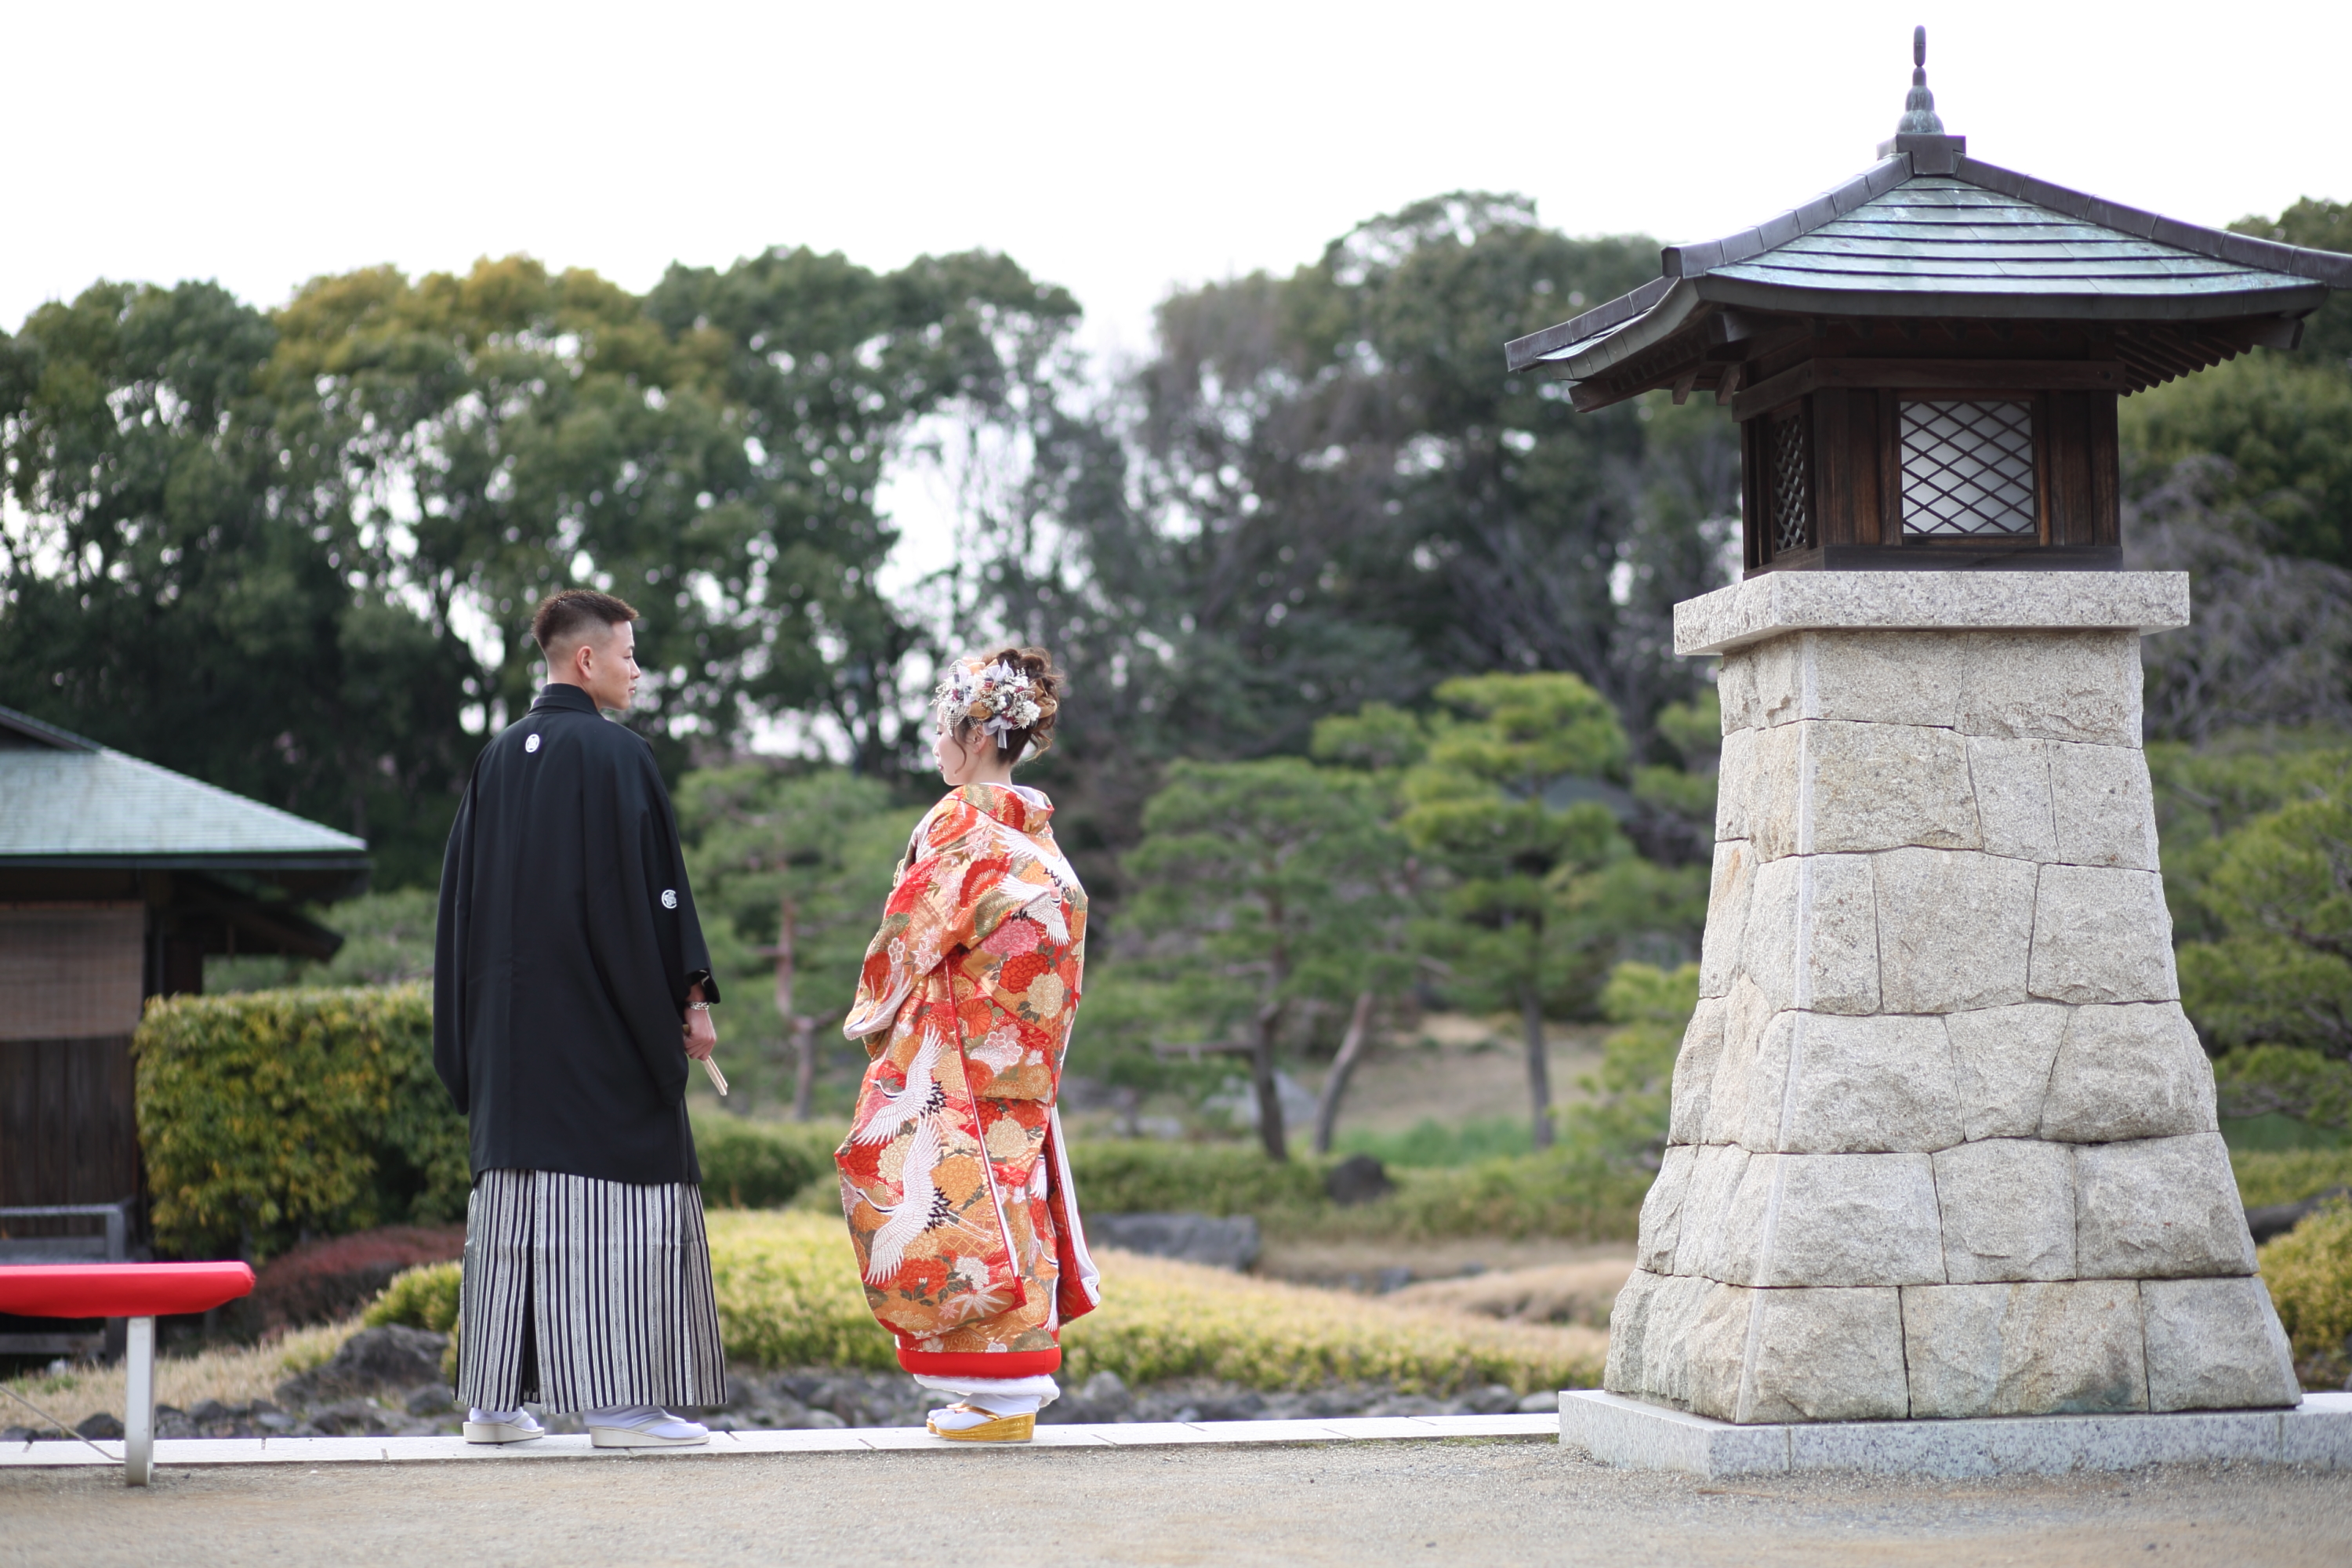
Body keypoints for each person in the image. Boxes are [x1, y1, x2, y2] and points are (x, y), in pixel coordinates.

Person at [432, 589, 727, 1449]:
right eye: (630, 653)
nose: (638, 669)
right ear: (586, 660)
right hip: (594, 1032)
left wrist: (471, 1032)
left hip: (508, 1039)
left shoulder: (495, 757)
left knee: (513, 1202)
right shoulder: (614, 754)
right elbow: (655, 893)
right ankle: (620, 1406)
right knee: (620, 1184)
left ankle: (493, 1406)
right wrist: (690, 998)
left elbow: (461, 904)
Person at [837, 648, 1099, 1443]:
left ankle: (1002, 1392)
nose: (936, 749)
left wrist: (876, 1015)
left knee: (940, 1195)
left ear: (975, 733)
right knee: (1008, 1194)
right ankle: (998, 1394)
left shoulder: (957, 823)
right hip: (1017, 1048)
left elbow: (907, 935)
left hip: (952, 1052)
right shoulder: (1039, 831)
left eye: (942, 731)